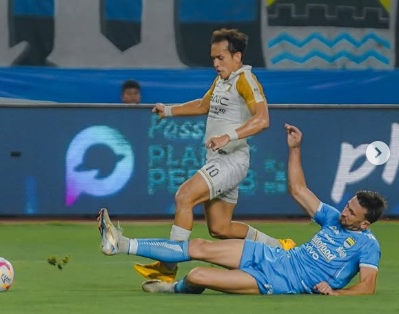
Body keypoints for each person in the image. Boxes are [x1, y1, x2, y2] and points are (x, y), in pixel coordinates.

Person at [97, 123, 388, 295]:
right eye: (348, 206)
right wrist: (295, 149)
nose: (345, 212)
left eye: (352, 213)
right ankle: (119, 243)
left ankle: (173, 288)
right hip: (273, 256)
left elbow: (368, 286)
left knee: (198, 275)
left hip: (279, 280)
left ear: (365, 224)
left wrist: (335, 293)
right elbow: (299, 190)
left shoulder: (367, 246)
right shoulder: (334, 218)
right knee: (198, 245)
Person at [135, 28, 294, 283]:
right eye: (213, 59)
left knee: (185, 196)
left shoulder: (245, 79)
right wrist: (169, 110)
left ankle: (168, 266)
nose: (215, 64)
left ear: (237, 56)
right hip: (218, 160)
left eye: (220, 58)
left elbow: (263, 119)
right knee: (221, 229)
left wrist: (227, 137)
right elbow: (202, 105)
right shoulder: (222, 80)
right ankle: (279, 246)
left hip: (232, 160)